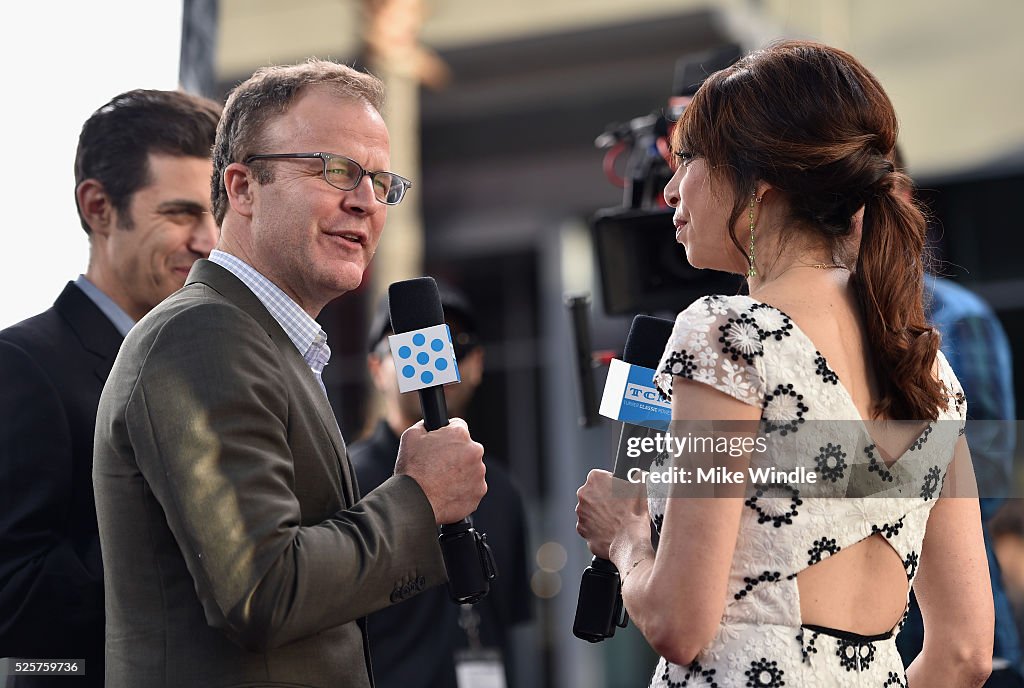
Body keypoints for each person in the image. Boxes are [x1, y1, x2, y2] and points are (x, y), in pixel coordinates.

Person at [575, 40, 993, 687]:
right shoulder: (929, 371)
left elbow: (679, 624)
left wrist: (625, 540)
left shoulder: (728, 335)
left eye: (689, 160)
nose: (668, 190)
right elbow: (965, 655)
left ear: (760, 187)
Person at [92, 60, 487, 688]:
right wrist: (419, 500)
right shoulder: (202, 337)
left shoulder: (267, 343)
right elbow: (262, 591)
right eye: (336, 170)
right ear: (244, 189)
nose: (364, 200)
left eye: (381, 181)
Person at [0, 89, 221, 687]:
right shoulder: (22, 366)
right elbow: (15, 600)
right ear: (98, 207)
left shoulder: (205, 367)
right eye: (181, 213)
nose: (208, 241)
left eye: (217, 214)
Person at [350, 288, 532, 688]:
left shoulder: (500, 489)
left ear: (479, 364)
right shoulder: (346, 481)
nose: (440, 358)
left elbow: (512, 626)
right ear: (376, 368)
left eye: (457, 345)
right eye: (411, 345)